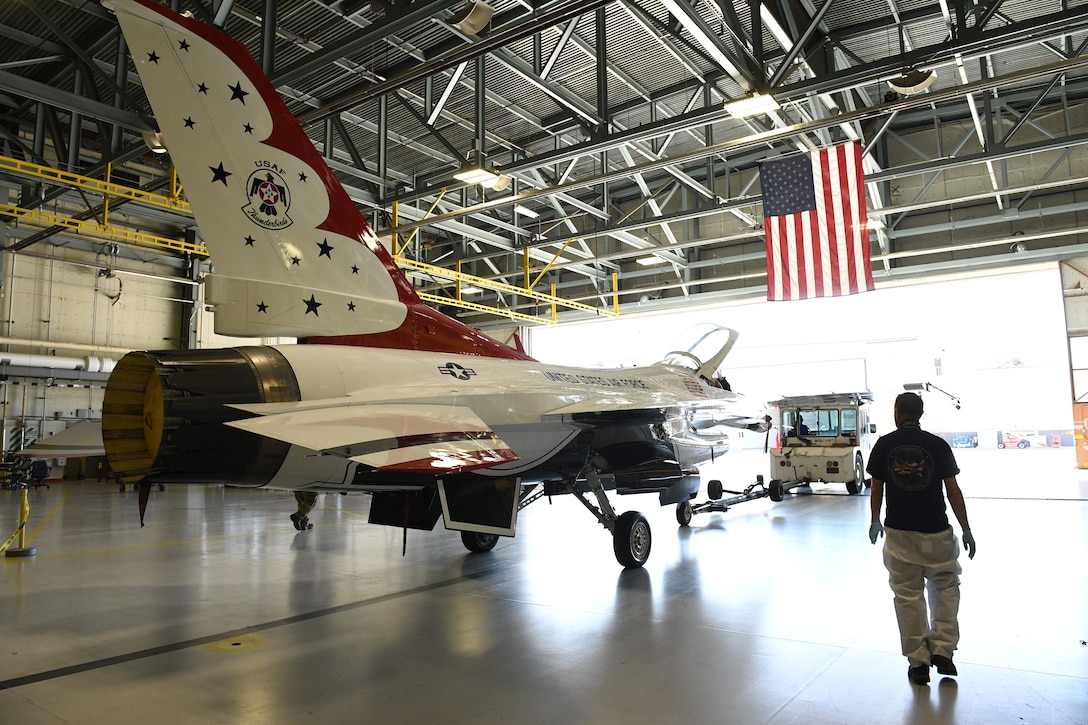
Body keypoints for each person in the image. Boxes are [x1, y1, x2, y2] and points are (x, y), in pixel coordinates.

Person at [866, 392, 976, 686]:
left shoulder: (884, 444)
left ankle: (918, 662)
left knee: (907, 595)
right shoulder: (937, 445)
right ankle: (943, 651)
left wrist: (875, 520)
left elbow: (876, 489)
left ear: (896, 412)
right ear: (921, 413)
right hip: (936, 531)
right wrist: (965, 528)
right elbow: (953, 490)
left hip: (900, 533)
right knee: (946, 588)